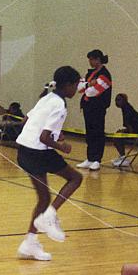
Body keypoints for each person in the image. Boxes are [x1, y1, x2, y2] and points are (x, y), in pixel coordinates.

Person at [15, 66, 83, 261]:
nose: (77, 89)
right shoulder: (60, 105)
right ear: (68, 85)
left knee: (44, 198)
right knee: (75, 178)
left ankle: (29, 244)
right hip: (38, 152)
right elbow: (44, 137)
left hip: (24, 150)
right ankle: (49, 216)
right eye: (76, 84)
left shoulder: (47, 98)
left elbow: (26, 120)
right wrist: (62, 146)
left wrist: (55, 133)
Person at [77, 49, 112, 171]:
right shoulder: (90, 73)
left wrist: (87, 86)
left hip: (98, 108)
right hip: (88, 107)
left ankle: (97, 159)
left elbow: (93, 92)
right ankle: (90, 158)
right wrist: (89, 84)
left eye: (91, 59)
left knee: (98, 132)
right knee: (89, 132)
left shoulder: (105, 74)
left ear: (97, 59)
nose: (90, 62)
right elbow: (80, 88)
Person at [111, 93, 138, 167]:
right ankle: (122, 158)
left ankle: (123, 158)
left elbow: (130, 128)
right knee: (118, 134)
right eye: (116, 100)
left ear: (124, 100)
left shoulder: (127, 110)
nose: (117, 102)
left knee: (117, 138)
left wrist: (123, 132)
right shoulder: (127, 107)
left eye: (119, 100)